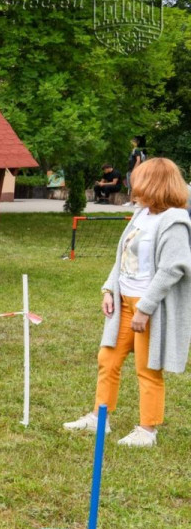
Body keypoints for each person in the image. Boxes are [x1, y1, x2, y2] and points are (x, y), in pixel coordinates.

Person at [64, 157, 191, 447]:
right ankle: (100, 418)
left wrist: (145, 309)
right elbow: (122, 257)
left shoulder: (174, 221)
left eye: (139, 180)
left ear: (156, 184)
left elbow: (173, 268)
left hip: (151, 306)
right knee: (107, 359)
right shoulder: (141, 214)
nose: (133, 186)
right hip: (123, 301)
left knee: (147, 368)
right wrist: (109, 289)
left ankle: (147, 431)